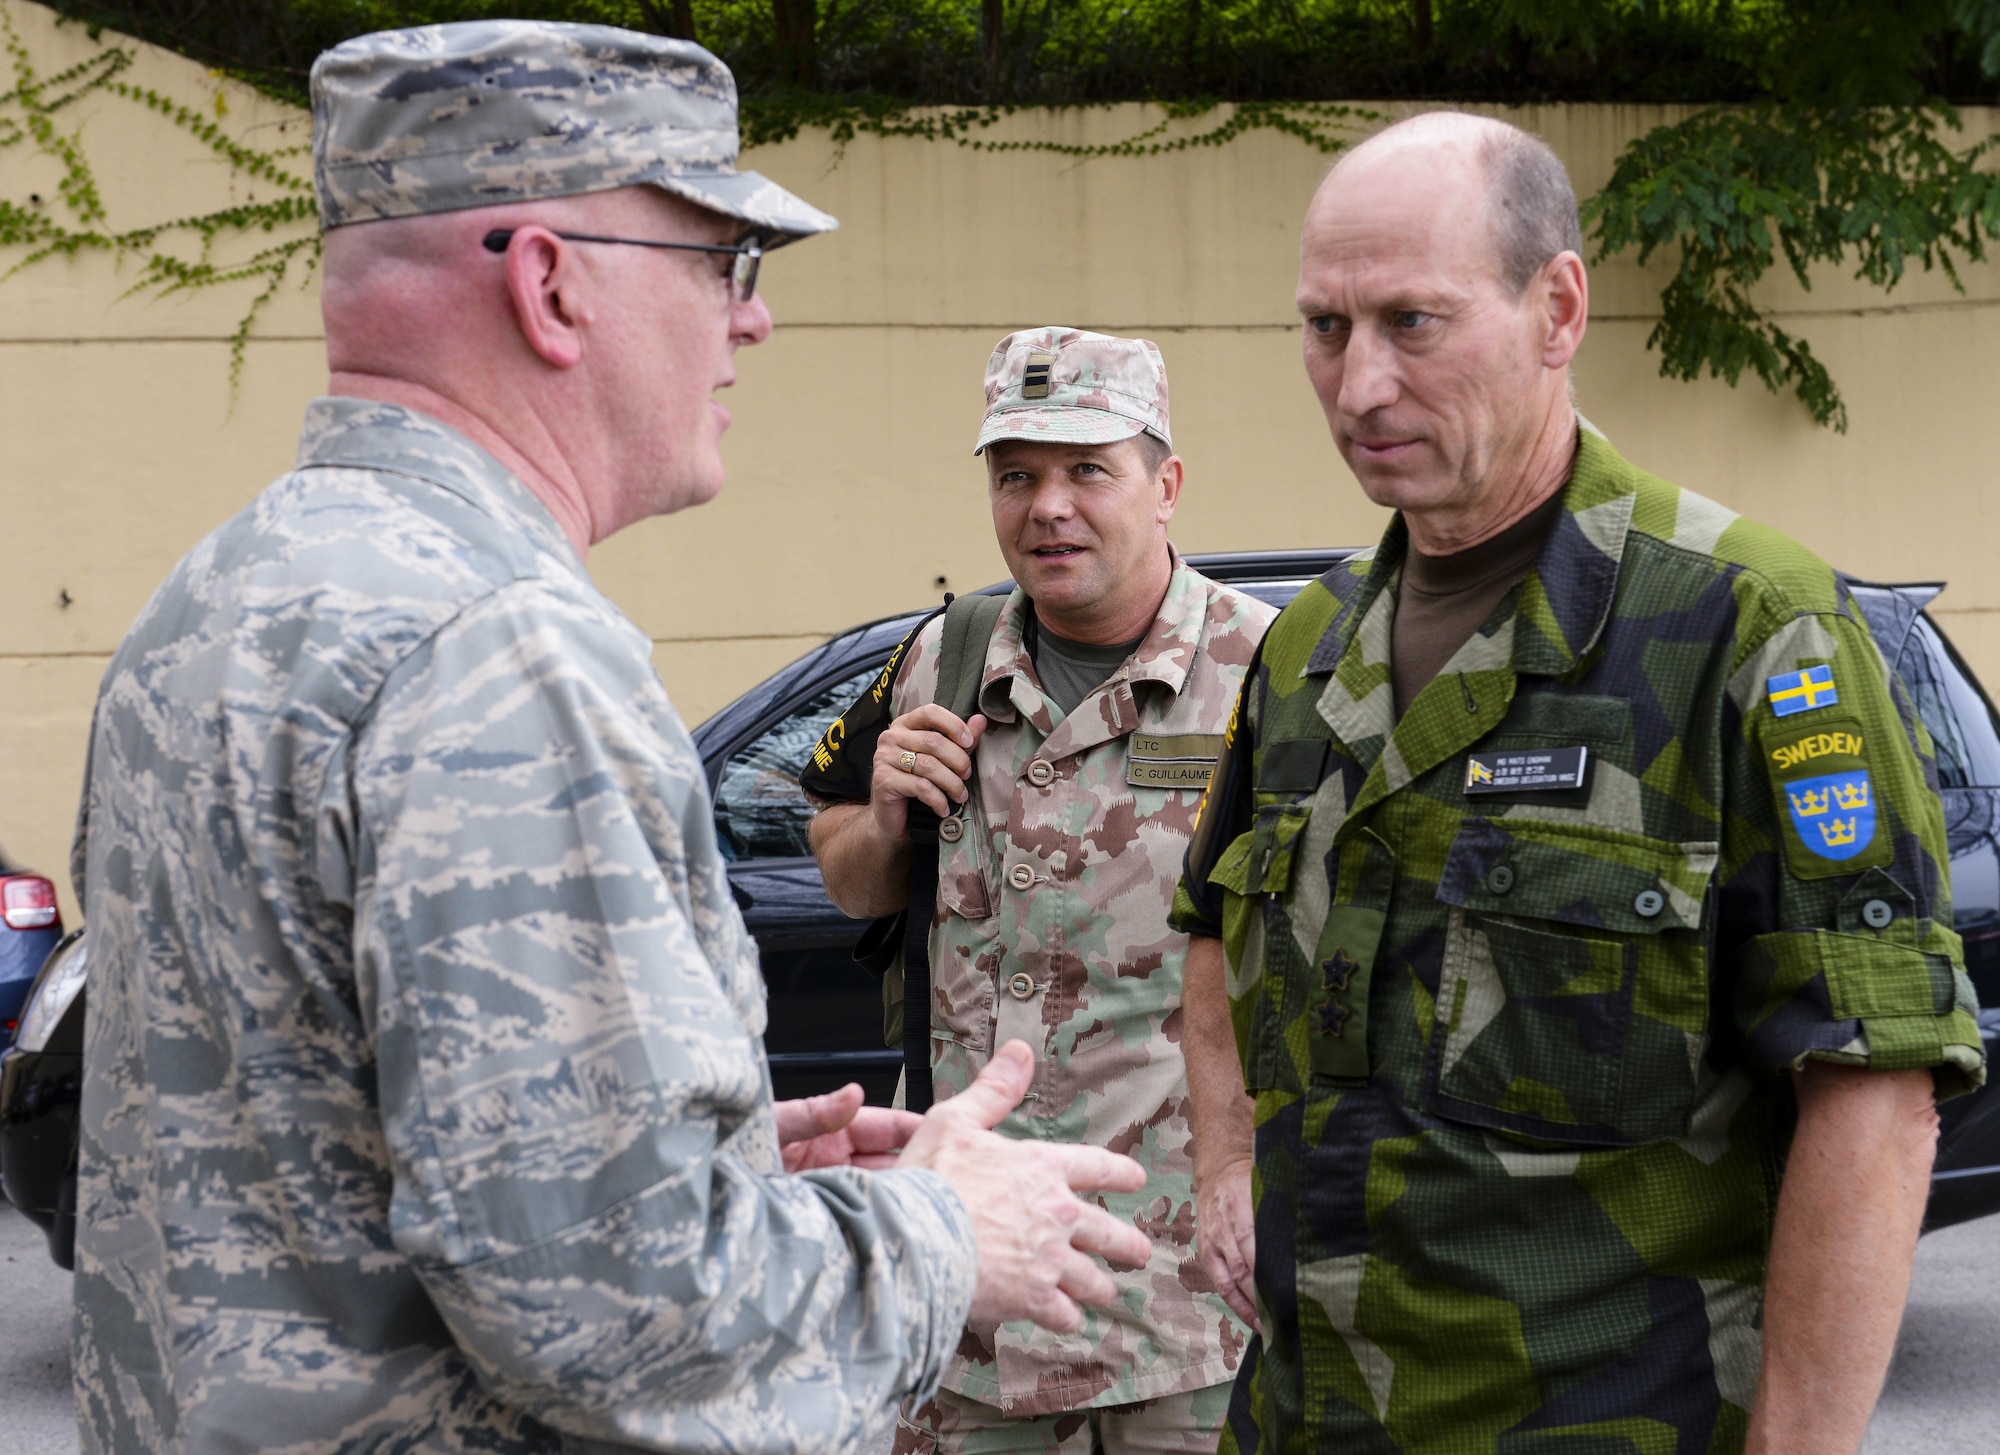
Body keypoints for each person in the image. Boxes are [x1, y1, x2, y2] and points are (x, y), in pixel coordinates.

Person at [68, 24, 1151, 1455]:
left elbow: (319, 1172)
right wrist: (942, 1229)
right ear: (551, 283)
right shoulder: (507, 652)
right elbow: (616, 1311)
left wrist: (714, 1176)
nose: (752, 320)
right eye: (724, 262)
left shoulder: (218, 595)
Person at [1172, 111, 1986, 1454]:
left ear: (1557, 308)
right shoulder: (1308, 649)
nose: (1358, 384)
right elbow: (1214, 925)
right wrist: (1220, 1161)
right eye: (1325, 326)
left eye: (1412, 323)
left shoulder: (1753, 629)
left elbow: (1876, 1094)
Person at [806, 328, 1276, 1454]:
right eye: (1015, 475)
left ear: (1164, 487)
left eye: (1085, 471)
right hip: (972, 1304)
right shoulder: (941, 656)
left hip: (1180, 1309)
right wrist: (879, 819)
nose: (1046, 507)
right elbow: (852, 886)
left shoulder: (1269, 673)